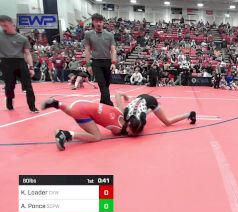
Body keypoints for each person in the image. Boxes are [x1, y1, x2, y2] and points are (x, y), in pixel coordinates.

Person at [41, 93, 197, 150]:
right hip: (83, 111)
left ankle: (58, 104)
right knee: (96, 137)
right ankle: (66, 134)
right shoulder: (119, 123)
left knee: (150, 115)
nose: (127, 134)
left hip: (81, 103)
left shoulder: (124, 113)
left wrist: (123, 95)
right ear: (128, 124)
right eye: (129, 132)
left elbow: (116, 96)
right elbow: (116, 130)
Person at [0, 15, 38, 112]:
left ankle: (32, 107)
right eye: (2, 26)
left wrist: (31, 67)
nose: (4, 28)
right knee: (9, 86)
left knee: (28, 85)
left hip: (20, 62)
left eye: (5, 25)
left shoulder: (22, 39)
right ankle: (9, 102)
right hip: (6, 62)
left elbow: (27, 53)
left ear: (13, 25)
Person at [84, 13, 117, 106]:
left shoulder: (110, 35)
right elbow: (87, 50)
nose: (98, 23)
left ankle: (102, 103)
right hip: (96, 62)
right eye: (96, 21)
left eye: (100, 21)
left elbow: (113, 50)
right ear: (93, 22)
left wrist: (114, 62)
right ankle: (109, 104)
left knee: (107, 83)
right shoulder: (88, 34)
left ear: (103, 23)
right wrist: (88, 65)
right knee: (102, 84)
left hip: (107, 62)